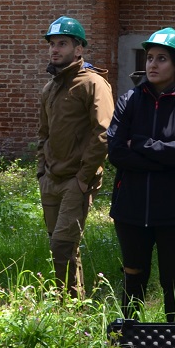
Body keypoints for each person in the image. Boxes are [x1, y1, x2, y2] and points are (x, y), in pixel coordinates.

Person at [107, 28, 175, 322]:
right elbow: (116, 152)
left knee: (173, 280)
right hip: (131, 207)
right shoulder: (129, 101)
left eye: (161, 58)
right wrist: (169, 155)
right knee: (133, 276)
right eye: (150, 57)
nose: (152, 64)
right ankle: (128, 341)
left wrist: (139, 143)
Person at [38, 16, 115, 298]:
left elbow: (104, 132)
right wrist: (41, 172)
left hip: (76, 180)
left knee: (62, 245)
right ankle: (72, 305)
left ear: (78, 48)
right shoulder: (50, 88)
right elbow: (43, 134)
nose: (55, 49)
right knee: (61, 247)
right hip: (51, 179)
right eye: (52, 44)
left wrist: (83, 178)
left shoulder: (93, 83)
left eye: (62, 43)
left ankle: (68, 304)